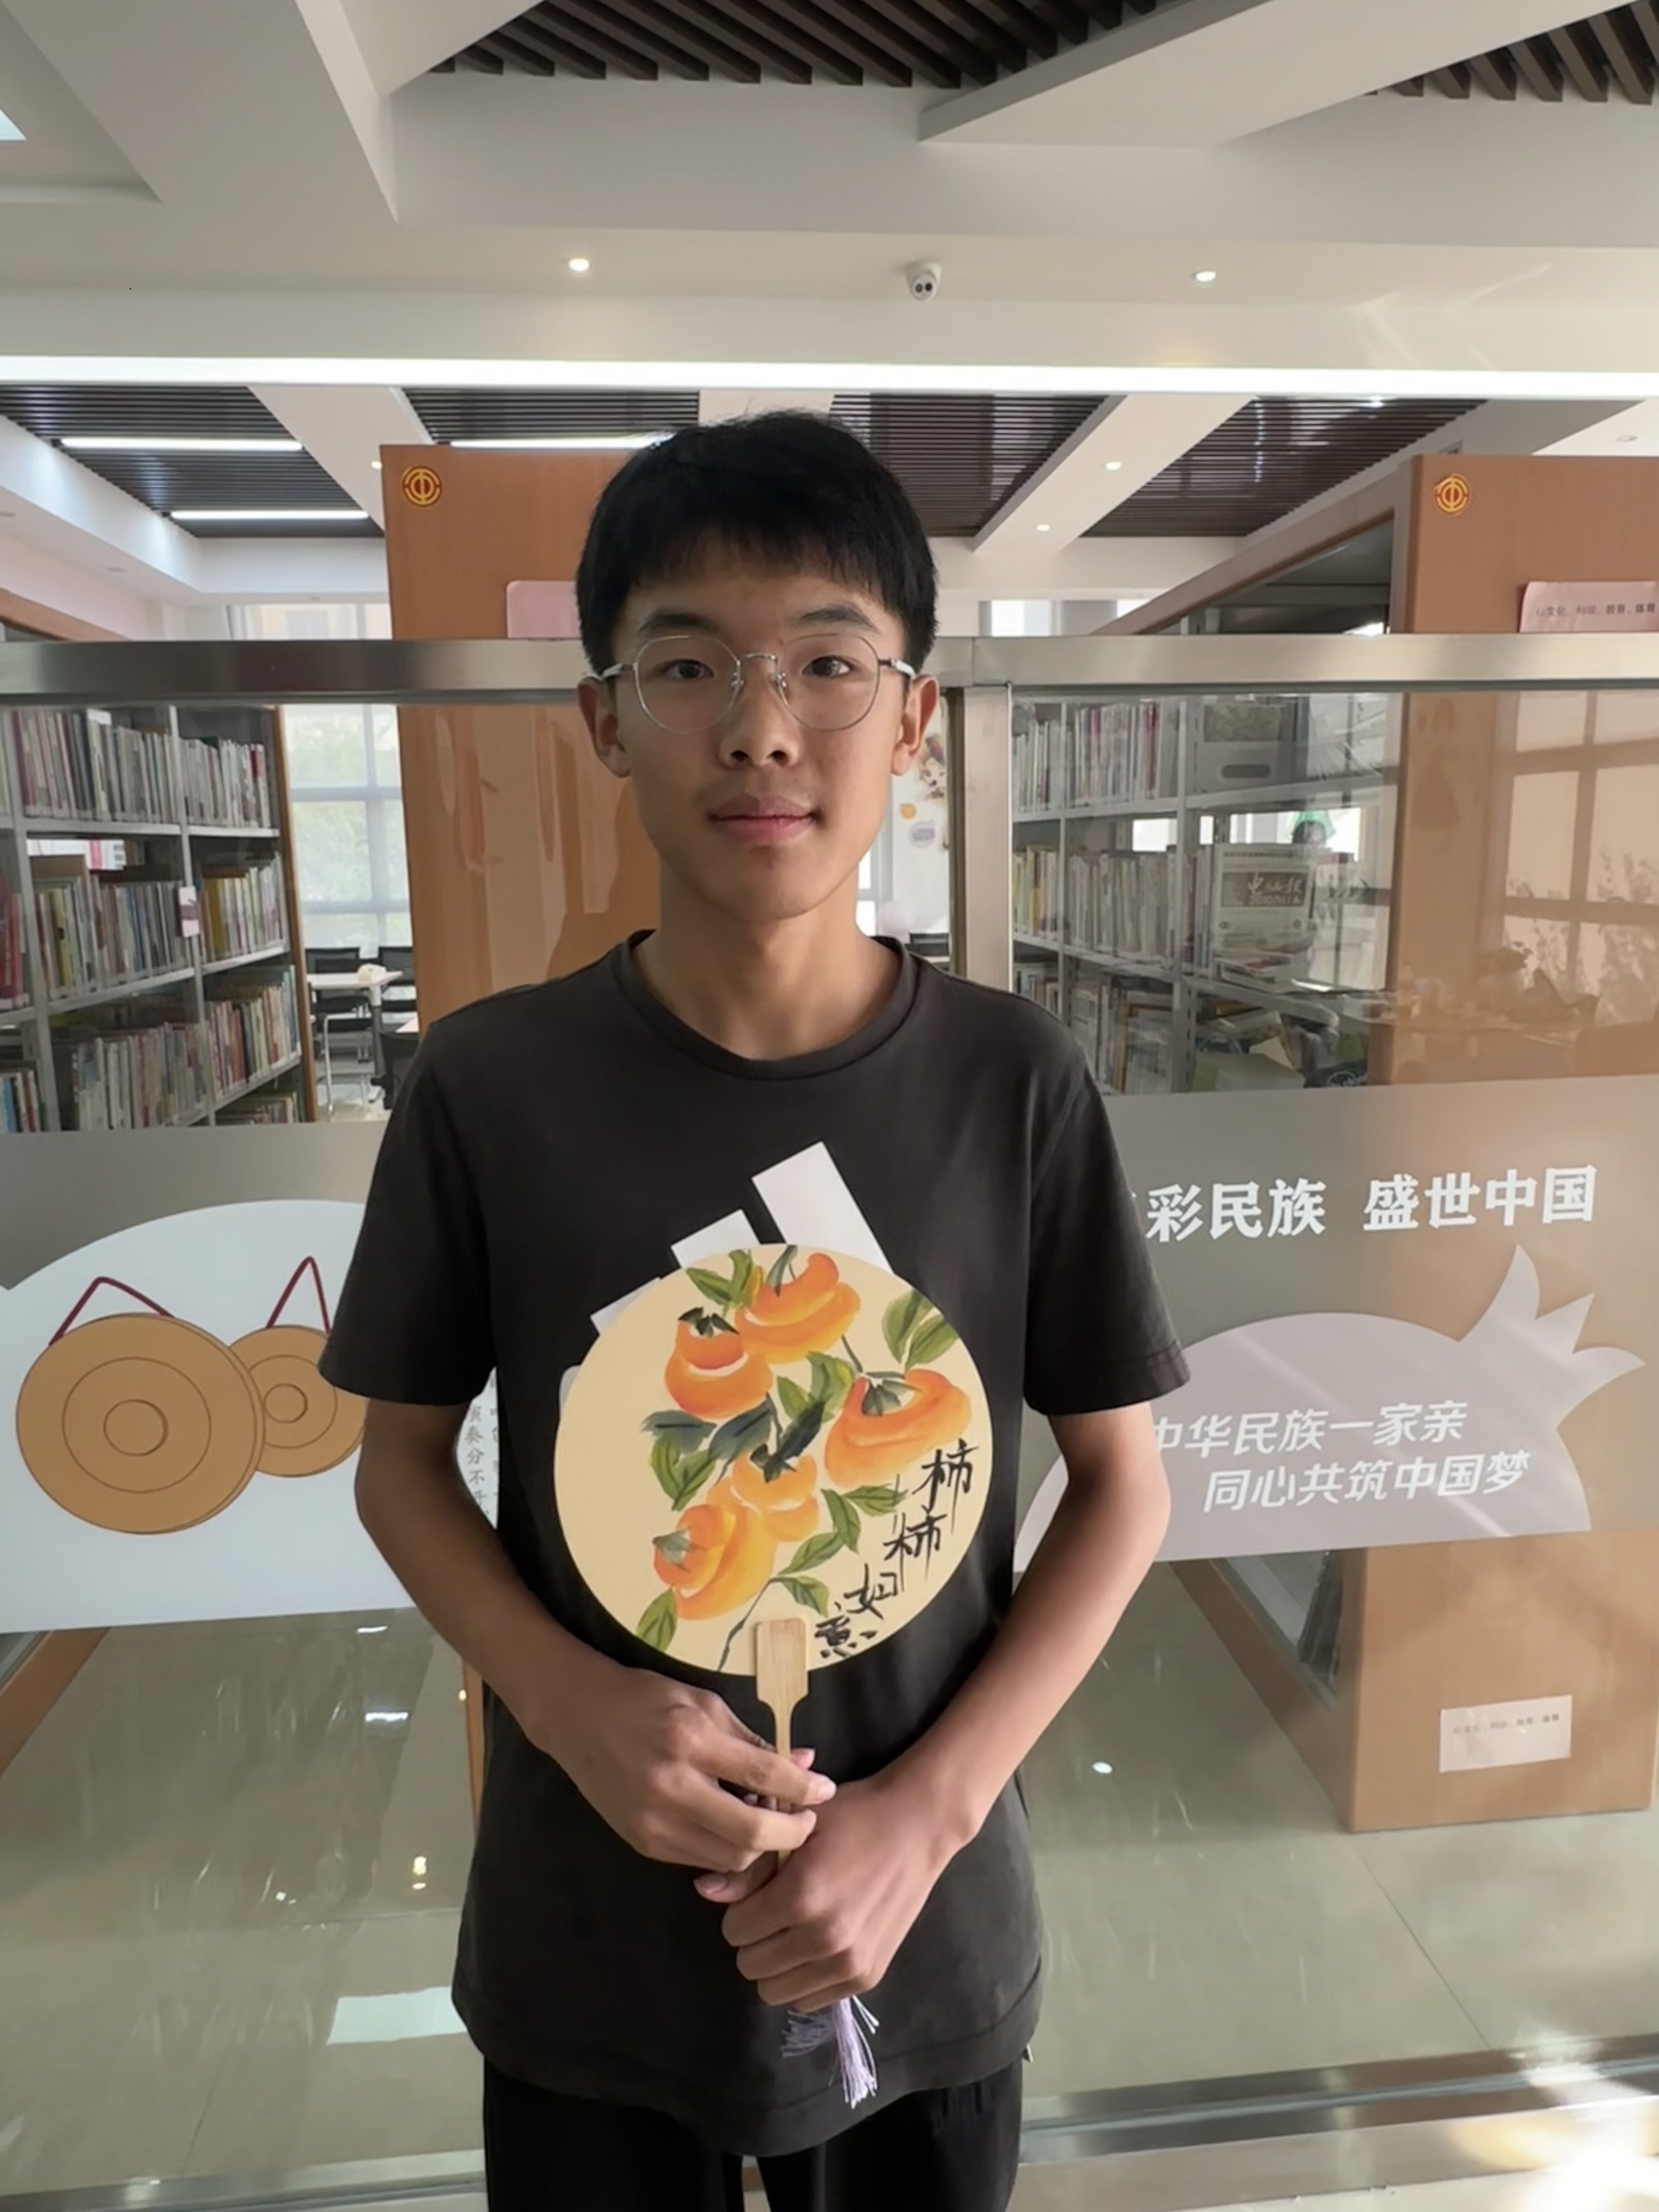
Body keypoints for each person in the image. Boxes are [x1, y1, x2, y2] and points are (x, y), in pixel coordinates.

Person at [319, 412, 1186, 2212]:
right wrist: (570, 1704)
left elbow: (1123, 1483)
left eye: (827, 663)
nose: (762, 727)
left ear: (915, 718)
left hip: (919, 1926)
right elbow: (399, 1463)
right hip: (590, 1933)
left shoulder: (1012, 1079)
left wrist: (924, 1817)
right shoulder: (490, 1085)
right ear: (602, 716)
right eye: (689, 664)